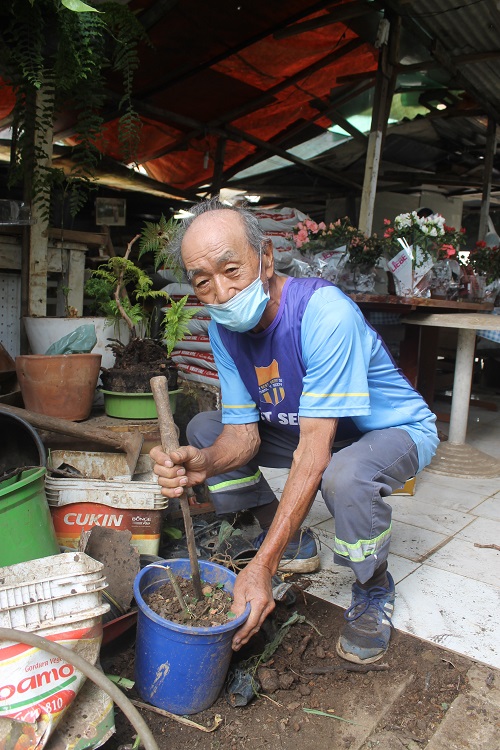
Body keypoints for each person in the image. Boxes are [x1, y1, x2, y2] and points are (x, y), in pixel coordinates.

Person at [151, 198, 439, 664]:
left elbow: (314, 453)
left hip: (389, 429)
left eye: (232, 270)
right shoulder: (223, 331)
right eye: (203, 282)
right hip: (312, 429)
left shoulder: (323, 313)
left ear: (266, 258)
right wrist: (202, 463)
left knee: (345, 474)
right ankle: (293, 542)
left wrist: (261, 567)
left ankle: (373, 586)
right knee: (204, 428)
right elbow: (242, 436)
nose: (222, 292)